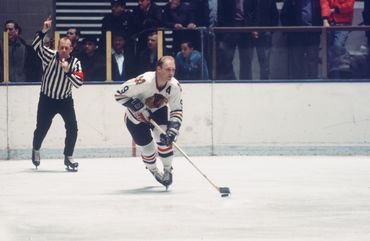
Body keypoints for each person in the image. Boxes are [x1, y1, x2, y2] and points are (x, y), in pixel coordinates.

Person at [114, 56, 183, 189]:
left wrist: (173, 130)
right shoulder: (144, 81)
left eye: (173, 70)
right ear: (158, 69)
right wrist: (136, 105)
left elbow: (177, 110)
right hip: (135, 118)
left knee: (164, 138)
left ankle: (168, 170)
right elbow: (118, 95)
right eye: (168, 69)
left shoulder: (174, 86)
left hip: (158, 111)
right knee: (148, 149)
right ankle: (154, 170)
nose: (171, 73)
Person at [31, 16, 84, 171]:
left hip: (65, 100)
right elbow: (35, 46)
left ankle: (68, 157)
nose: (63, 50)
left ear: (71, 49)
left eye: (67, 48)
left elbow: (79, 83)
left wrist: (67, 72)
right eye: (61, 47)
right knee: (42, 127)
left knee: (73, 128)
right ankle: (35, 149)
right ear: (57, 47)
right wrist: (44, 31)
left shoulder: (75, 63)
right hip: (47, 98)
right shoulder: (49, 56)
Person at [281, 0, 322, 79]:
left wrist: (318, 31)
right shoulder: (291, 1)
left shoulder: (317, 1)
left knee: (313, 60)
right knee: (296, 61)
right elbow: (284, 15)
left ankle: (313, 83)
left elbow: (321, 15)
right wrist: (288, 32)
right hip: (297, 35)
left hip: (313, 34)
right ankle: (297, 83)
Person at [216, 0, 254, 80]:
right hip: (230, 27)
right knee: (226, 58)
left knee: (246, 59)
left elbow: (254, 10)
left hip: (246, 27)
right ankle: (230, 83)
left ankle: (246, 84)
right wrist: (222, 31)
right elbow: (221, 11)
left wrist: (253, 26)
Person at [320, 0, 355, 78]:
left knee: (338, 46)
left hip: (344, 24)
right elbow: (324, 4)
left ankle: (344, 71)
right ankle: (331, 77)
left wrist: (335, 9)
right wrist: (325, 20)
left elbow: (349, 5)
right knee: (329, 51)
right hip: (330, 23)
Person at [250, 0, 279, 80]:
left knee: (264, 62)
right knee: (247, 61)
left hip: (265, 33)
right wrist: (252, 29)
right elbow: (248, 13)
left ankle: (264, 84)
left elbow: (275, 15)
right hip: (250, 32)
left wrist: (270, 30)